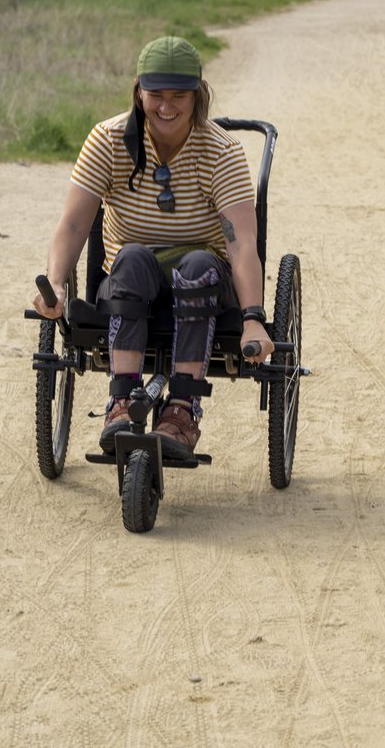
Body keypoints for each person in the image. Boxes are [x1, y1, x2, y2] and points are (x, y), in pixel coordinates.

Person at [32, 35, 274, 459]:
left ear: (197, 94)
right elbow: (72, 224)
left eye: (179, 95)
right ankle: (121, 402)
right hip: (130, 276)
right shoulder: (107, 140)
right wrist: (55, 282)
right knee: (131, 257)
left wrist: (253, 318)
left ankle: (181, 410)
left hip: (204, 279)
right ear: (138, 91)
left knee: (198, 264)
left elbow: (241, 245)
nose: (166, 106)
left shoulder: (222, 151)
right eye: (156, 94)